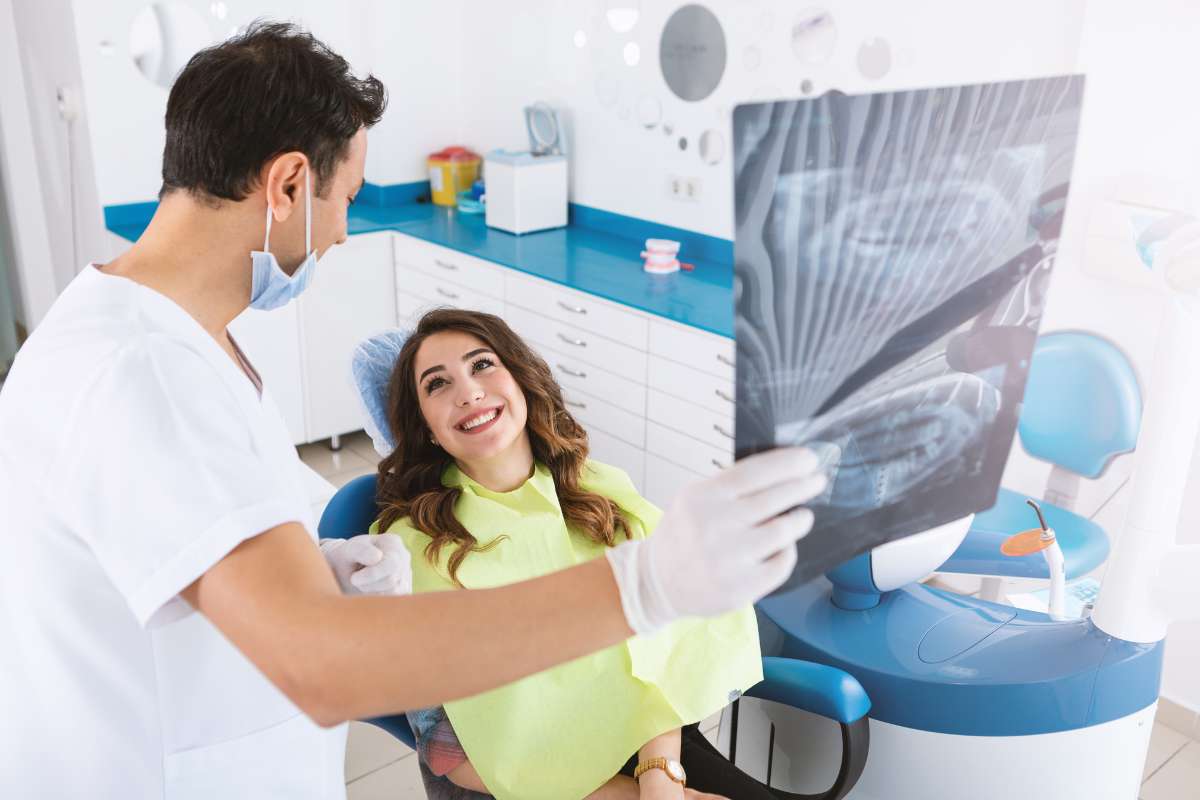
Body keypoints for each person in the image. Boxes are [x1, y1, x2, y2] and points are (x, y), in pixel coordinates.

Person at [0, 22, 826, 799]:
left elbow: (186, 550)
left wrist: (315, 570)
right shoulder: (143, 372)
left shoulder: (175, 343)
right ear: (288, 183)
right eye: (348, 198)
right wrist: (643, 588)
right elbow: (323, 667)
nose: (343, 236)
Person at [376, 309, 789, 800]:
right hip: (531, 783)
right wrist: (632, 797)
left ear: (521, 380)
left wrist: (661, 775)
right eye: (437, 384)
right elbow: (448, 753)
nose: (468, 392)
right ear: (424, 426)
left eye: (481, 365)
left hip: (649, 738)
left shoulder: (598, 493)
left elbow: (665, 647)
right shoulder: (414, 546)